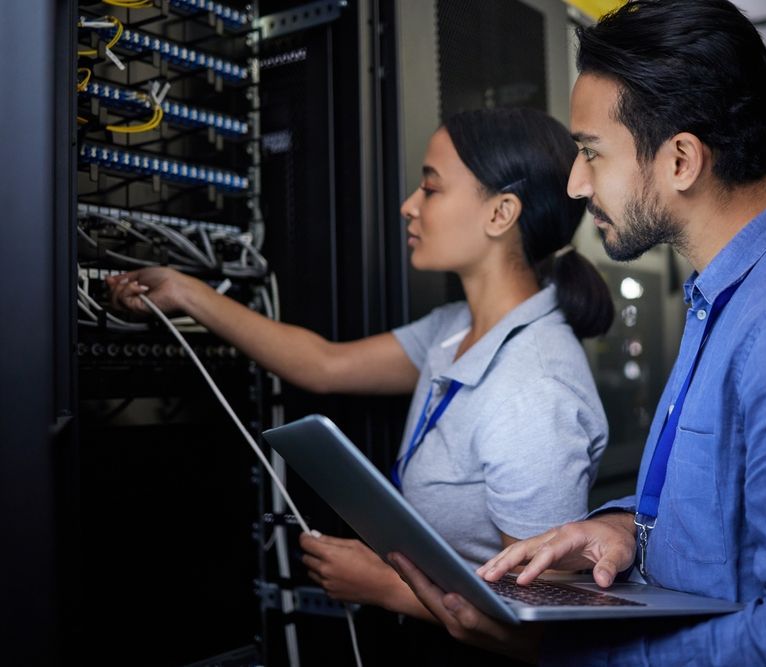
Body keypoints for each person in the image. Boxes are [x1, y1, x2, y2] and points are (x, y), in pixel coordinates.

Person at [389, 1, 766, 664]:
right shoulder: (733, 301)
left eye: (591, 152)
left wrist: (567, 652)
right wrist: (623, 525)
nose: (575, 183)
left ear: (681, 159)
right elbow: (725, 507)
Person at [107, 107, 614, 624]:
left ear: (500, 213)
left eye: (431, 188)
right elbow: (324, 365)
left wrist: (389, 586)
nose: (408, 206)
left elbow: (544, 623)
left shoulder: (532, 391)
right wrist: (186, 293)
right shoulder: (457, 327)